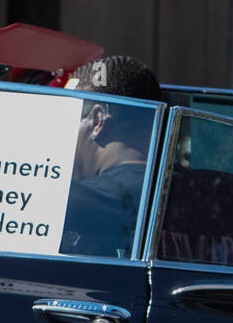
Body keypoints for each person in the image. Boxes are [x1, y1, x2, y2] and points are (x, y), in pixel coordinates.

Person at [61, 55, 163, 256]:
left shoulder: (71, 200)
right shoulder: (221, 191)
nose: (60, 134)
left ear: (97, 121)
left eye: (66, 118)